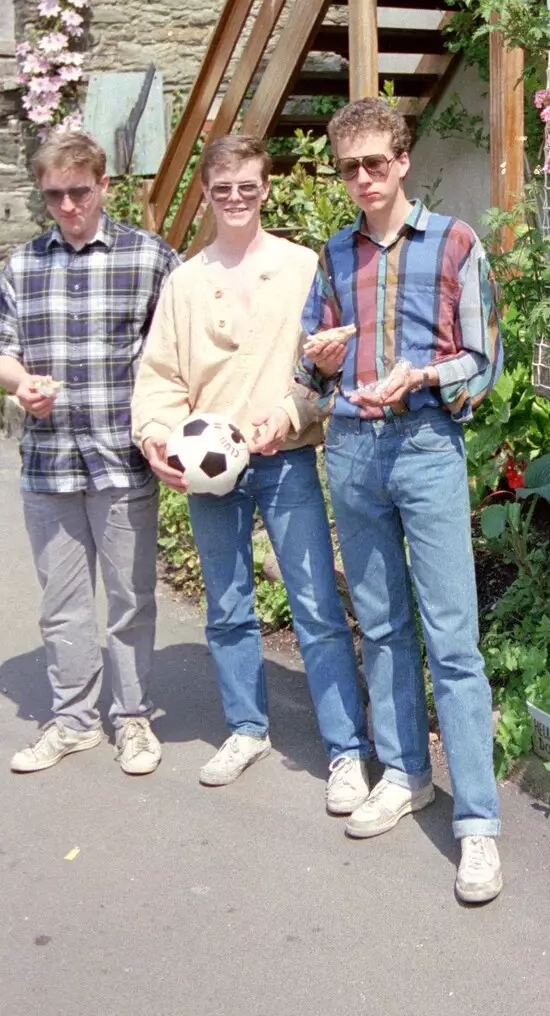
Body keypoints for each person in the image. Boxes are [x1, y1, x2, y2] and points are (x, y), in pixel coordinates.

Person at [292, 97, 504, 906]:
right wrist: (315, 358)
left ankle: (478, 823)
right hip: (350, 450)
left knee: (453, 638)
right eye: (349, 168)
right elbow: (314, 375)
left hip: (423, 448)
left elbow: (482, 363)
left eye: (375, 163)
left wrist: (422, 375)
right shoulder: (335, 253)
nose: (363, 180)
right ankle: (406, 774)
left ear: (403, 160)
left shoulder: (454, 242)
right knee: (379, 624)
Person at [131, 133, 370, 808]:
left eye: (248, 186)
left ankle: (345, 749)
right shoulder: (185, 281)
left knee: (317, 605)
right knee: (228, 605)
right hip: (211, 473)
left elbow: (327, 364)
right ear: (204, 194)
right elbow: (160, 378)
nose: (236, 198)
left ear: (266, 188)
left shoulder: (302, 268)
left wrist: (287, 417)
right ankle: (245, 727)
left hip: (285, 460)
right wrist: (157, 440)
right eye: (221, 188)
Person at [0, 130, 179, 777]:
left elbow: (178, 352)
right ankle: (72, 720)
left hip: (121, 459)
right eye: (54, 196)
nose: (69, 206)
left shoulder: (152, 258)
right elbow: (3, 349)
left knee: (130, 598)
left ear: (104, 186)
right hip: (48, 464)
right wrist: (21, 383)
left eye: (79, 191)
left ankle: (132, 718)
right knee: (62, 601)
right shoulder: (20, 267)